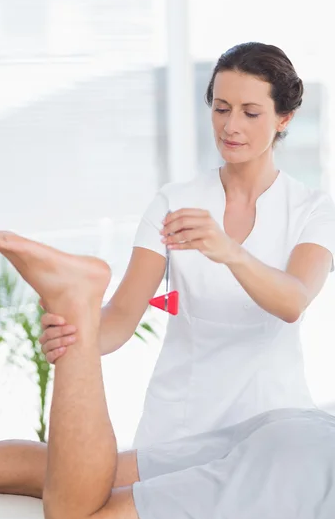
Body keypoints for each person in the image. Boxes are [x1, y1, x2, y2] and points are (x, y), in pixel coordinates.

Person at [0, 221, 334, 519]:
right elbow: (124, 319)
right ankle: (75, 294)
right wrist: (83, 330)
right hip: (310, 467)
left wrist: (80, 339)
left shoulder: (306, 211)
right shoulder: (181, 209)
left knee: (78, 475)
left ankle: (75, 292)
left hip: (305, 431)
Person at [40, 42, 335, 448]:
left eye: (250, 113)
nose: (231, 126)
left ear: (284, 118)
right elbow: (121, 318)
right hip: (178, 427)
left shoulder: (314, 210)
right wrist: (77, 335)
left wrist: (228, 250)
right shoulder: (173, 202)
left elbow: (293, 301)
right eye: (220, 107)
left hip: (273, 430)